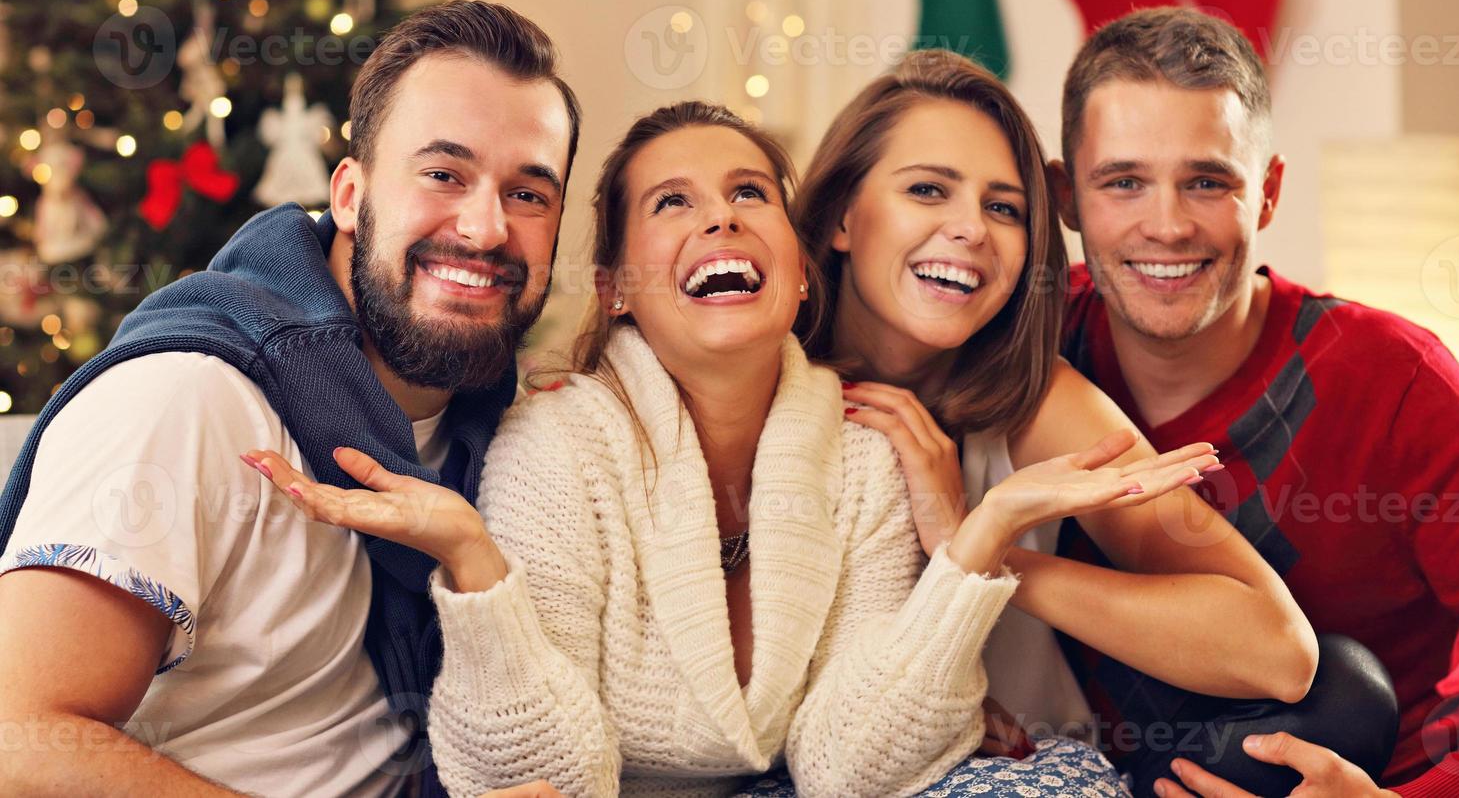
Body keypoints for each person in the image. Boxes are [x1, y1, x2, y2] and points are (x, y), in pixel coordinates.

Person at [247, 100, 1222, 797]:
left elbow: (848, 770)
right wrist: (473, 561)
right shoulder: (554, 447)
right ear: (618, 285)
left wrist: (978, 547)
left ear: (799, 273)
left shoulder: (860, 452)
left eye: (749, 191)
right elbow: (546, 783)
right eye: (673, 202)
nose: (720, 215)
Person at [0, 0, 580, 796]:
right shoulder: (189, 398)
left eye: (528, 194)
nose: (485, 228)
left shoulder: (509, 432)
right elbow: (19, 742)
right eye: (443, 174)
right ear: (348, 195)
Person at [790, 48, 1395, 796]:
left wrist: (976, 550)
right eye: (927, 190)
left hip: (1034, 775)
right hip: (843, 759)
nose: (971, 229)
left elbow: (1278, 650)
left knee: (1349, 691)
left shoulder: (1033, 396)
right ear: (842, 216)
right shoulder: (766, 378)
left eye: (1003, 207)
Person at [1050, 6, 1459, 796]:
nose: (1167, 225)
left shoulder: (1401, 382)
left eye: (1207, 182)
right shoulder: (1028, 354)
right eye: (1125, 182)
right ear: (1067, 197)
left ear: (1268, 193)